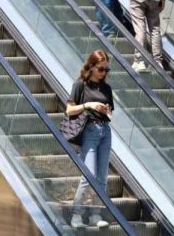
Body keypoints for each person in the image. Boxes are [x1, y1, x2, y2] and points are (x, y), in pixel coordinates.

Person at [65, 50, 115, 229]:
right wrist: (88, 105)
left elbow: (111, 113)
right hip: (89, 131)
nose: (104, 73)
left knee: (102, 177)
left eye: (106, 69)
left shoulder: (106, 88)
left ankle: (95, 214)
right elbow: (69, 110)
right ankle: (76, 214)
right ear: (91, 67)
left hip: (105, 131)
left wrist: (105, 110)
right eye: (101, 69)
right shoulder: (80, 85)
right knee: (89, 175)